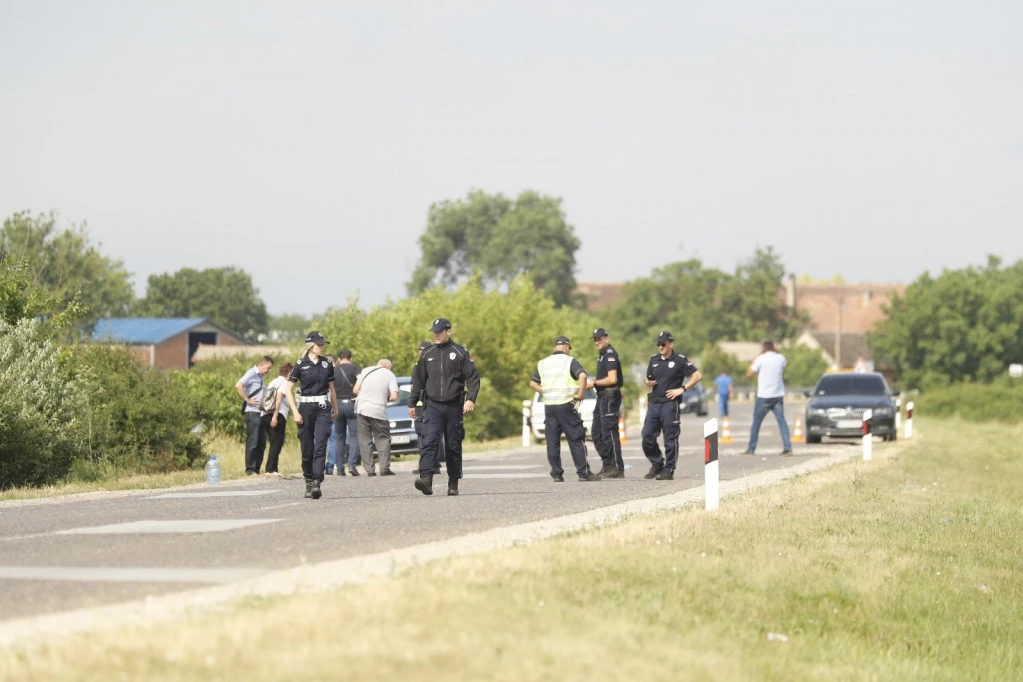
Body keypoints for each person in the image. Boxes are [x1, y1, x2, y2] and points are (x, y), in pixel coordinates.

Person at [409, 317, 480, 497]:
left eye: (439, 332)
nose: (436, 335)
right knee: (429, 442)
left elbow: (473, 378)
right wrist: (412, 402)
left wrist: (470, 399)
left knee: (453, 445)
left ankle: (453, 482)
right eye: (434, 332)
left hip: (454, 406)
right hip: (432, 406)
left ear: (448, 331)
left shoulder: (460, 352)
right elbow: (418, 381)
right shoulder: (427, 354)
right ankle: (426, 479)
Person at [530, 336, 599, 482]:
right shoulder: (569, 361)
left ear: (554, 348)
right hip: (566, 404)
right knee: (576, 439)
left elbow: (533, 384)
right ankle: (583, 473)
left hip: (549, 406)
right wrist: (580, 394)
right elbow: (582, 376)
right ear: (567, 347)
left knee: (552, 441)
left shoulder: (543, 363)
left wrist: (546, 392)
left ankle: (556, 474)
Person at [284, 332, 339, 499]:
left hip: (323, 407)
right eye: (319, 345)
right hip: (305, 408)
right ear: (310, 346)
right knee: (307, 447)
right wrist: (295, 412)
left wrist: (335, 408)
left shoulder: (327, 364)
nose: (322, 347)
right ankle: (308, 479)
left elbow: (332, 389)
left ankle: (317, 481)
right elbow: (288, 390)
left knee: (321, 445)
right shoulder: (300, 364)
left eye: (323, 345)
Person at [641, 331, 702, 480]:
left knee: (670, 438)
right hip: (654, 404)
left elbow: (697, 375)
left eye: (663, 344)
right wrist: (648, 382)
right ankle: (657, 463)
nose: (660, 346)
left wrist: (682, 389)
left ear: (671, 344)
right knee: (647, 436)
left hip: (669, 404)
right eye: (658, 344)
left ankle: (669, 469)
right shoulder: (654, 360)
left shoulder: (680, 360)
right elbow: (649, 378)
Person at [584, 328, 625, 478]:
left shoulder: (610, 355)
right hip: (602, 396)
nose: (597, 342)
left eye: (599, 339)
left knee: (609, 432)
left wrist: (594, 383)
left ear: (606, 338)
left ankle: (617, 468)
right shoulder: (602, 356)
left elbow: (612, 379)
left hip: (609, 395)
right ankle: (607, 465)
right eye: (595, 339)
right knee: (596, 433)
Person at [743, 340, 793, 457]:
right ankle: (787, 448)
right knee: (782, 422)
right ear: (774, 347)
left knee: (756, 423)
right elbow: (786, 364)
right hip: (777, 395)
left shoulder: (761, 359)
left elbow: (749, 373)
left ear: (763, 348)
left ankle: (751, 449)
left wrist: (757, 356)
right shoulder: (780, 358)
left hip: (764, 396)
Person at [353, 358, 399, 476]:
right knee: (383, 439)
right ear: (388, 367)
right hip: (378, 410)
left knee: (364, 439)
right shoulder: (390, 374)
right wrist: (384, 398)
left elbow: (355, 390)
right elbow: (394, 396)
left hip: (362, 408)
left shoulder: (365, 370)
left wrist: (366, 396)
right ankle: (384, 469)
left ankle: (370, 470)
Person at [236, 355, 274, 476]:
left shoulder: (260, 377)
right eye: (268, 368)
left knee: (261, 442)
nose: (269, 371)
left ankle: (257, 469)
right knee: (253, 441)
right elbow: (238, 385)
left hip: (261, 413)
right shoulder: (251, 373)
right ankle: (250, 469)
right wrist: (247, 399)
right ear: (261, 364)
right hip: (252, 412)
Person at [411, 340, 443, 476]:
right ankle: (432, 464)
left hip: (426, 404)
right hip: (429, 403)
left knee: (426, 435)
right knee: (430, 434)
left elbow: (414, 387)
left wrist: (412, 402)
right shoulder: (438, 363)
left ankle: (429, 465)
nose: (421, 353)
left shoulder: (421, 365)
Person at [331, 349, 362, 476]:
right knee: (354, 436)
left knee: (339, 437)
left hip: (337, 404)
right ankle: (352, 465)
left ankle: (339, 468)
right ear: (351, 358)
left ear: (339, 359)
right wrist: (358, 393)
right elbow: (361, 380)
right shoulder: (355, 368)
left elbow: (329, 387)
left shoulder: (333, 370)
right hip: (351, 404)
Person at [262, 362, 294, 476]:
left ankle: (274, 468)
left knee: (274, 442)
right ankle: (270, 469)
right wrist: (275, 416)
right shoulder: (284, 382)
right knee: (277, 442)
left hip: (265, 414)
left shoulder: (273, 381)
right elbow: (278, 398)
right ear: (289, 373)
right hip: (277, 414)